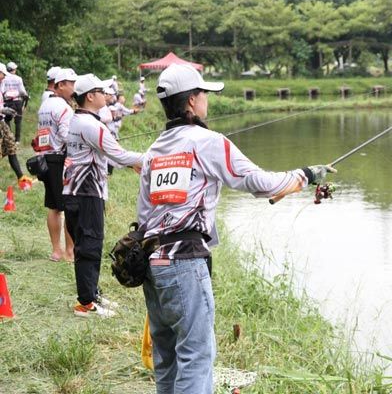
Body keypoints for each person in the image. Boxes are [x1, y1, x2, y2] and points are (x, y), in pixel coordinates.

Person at [136, 64, 336, 393]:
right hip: (185, 263)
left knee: (167, 356)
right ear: (190, 102)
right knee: (196, 356)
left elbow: (144, 214)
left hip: (153, 264)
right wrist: (304, 175)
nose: (207, 101)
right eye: (203, 94)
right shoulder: (208, 141)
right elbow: (258, 182)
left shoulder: (155, 150)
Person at [64, 73, 143, 318]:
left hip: (76, 192)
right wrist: (148, 159)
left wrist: (131, 163)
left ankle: (91, 293)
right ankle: (86, 303)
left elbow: (111, 155)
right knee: (90, 245)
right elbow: (118, 154)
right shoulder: (91, 125)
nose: (107, 95)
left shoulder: (79, 120)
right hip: (87, 193)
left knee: (87, 244)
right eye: (102, 91)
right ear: (90, 96)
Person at [35, 68, 77, 262]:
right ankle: (69, 252)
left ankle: (56, 250)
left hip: (44, 159)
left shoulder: (45, 105)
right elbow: (66, 136)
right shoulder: (63, 107)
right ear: (61, 85)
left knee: (53, 206)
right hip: (60, 159)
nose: (74, 88)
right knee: (68, 206)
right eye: (71, 83)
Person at [0, 62, 33, 190]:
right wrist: (3, 110)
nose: (4, 77)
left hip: (2, 122)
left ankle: (21, 177)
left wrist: (6, 109)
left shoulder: (1, 85)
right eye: (3, 74)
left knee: (11, 147)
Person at [2, 61, 29, 143]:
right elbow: (22, 92)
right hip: (17, 101)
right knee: (18, 121)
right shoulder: (18, 78)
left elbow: (2, 91)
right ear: (14, 70)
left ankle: (9, 137)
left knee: (6, 120)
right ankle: (17, 140)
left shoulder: (3, 79)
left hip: (6, 101)